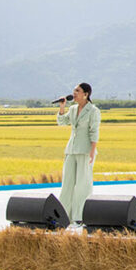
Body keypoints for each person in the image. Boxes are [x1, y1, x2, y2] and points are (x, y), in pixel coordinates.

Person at [57, 83, 100, 223]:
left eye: (77, 91)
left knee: (83, 184)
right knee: (67, 183)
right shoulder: (73, 109)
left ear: (86, 94)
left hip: (85, 150)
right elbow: (62, 122)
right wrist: (62, 107)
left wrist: (92, 151)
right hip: (71, 149)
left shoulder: (93, 111)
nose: (74, 93)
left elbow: (94, 131)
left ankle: (80, 216)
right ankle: (63, 215)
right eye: (74, 90)